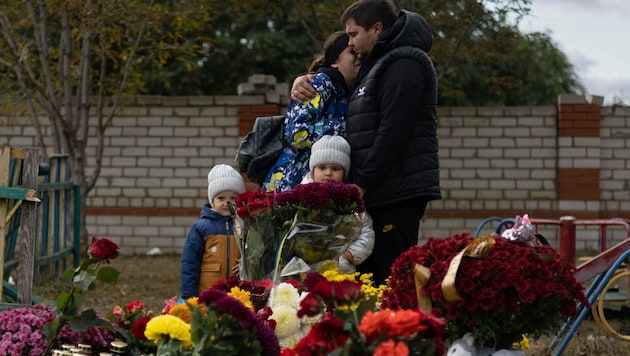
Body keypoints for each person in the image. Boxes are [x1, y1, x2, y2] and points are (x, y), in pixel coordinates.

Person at [291, 0, 441, 285]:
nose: (350, 42)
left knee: (389, 279)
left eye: (353, 34)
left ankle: (396, 329)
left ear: (377, 28)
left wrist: (360, 184)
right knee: (369, 281)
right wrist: (303, 80)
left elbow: (393, 133)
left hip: (396, 190)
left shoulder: (403, 63)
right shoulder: (378, 62)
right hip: (380, 189)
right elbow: (338, 83)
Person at [261, 30, 359, 192]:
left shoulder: (346, 91)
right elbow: (297, 133)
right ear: (335, 61)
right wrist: (349, 126)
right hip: (291, 183)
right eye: (351, 52)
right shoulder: (320, 82)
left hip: (317, 184)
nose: (358, 56)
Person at [300, 135, 375, 274]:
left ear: (344, 173)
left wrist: (351, 254)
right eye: (322, 168)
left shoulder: (351, 203)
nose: (328, 173)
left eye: (335, 169)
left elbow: (367, 233)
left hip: (341, 272)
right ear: (312, 170)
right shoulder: (300, 200)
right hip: (305, 269)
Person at [180, 164, 245, 299]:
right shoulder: (201, 228)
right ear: (212, 201)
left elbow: (253, 255)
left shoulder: (245, 226)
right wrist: (189, 294)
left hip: (238, 295)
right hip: (208, 295)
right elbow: (190, 262)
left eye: (232, 198)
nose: (227, 202)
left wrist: (246, 264)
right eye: (221, 198)